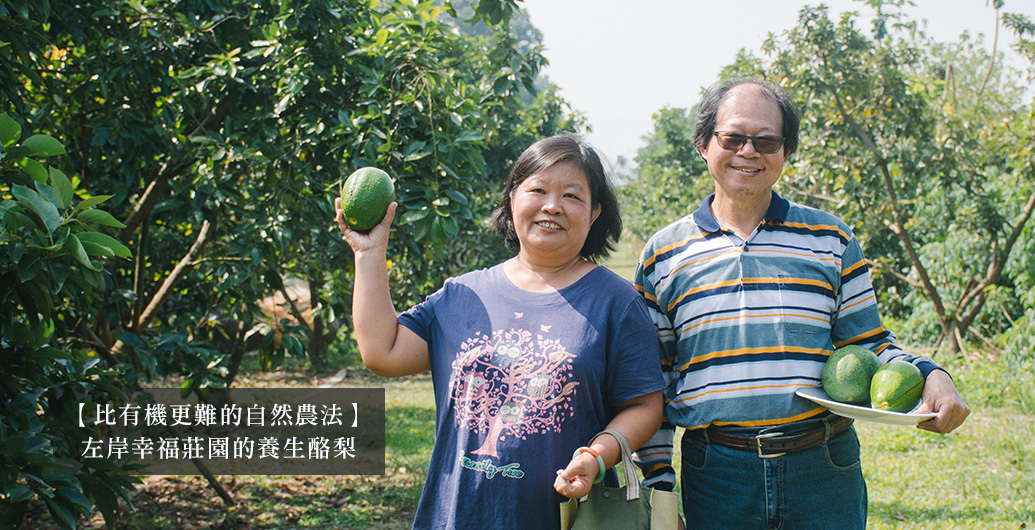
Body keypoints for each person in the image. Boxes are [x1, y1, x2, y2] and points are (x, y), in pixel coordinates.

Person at [632, 78, 970, 529]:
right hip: (716, 473)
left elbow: (869, 345)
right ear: (703, 144)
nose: (749, 151)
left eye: (767, 141)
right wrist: (660, 490)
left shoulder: (830, 239)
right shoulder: (663, 254)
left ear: (785, 151)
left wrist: (934, 375)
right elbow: (651, 382)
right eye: (733, 137)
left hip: (823, 466)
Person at [335, 134, 665, 530]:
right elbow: (381, 351)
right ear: (512, 199)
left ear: (595, 212)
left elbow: (644, 406)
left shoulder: (615, 302)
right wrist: (369, 253)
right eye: (537, 189)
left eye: (572, 196)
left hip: (560, 515)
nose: (552, 206)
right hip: (458, 516)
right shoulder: (463, 295)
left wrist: (597, 456)